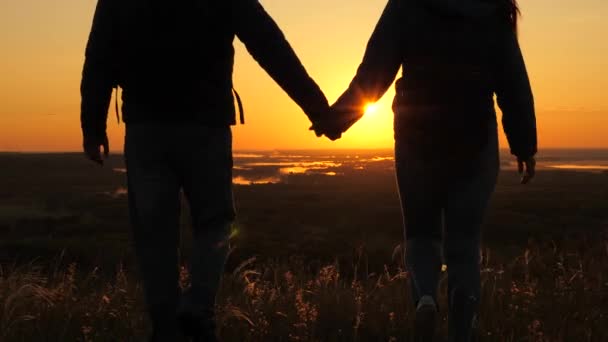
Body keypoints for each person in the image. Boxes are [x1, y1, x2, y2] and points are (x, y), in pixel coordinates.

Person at [80, 0, 329, 340]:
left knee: (155, 234)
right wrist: (317, 108)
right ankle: (198, 308)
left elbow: (99, 56)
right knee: (215, 222)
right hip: (206, 125)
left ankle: (166, 327)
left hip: (147, 127)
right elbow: (268, 44)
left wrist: (93, 127)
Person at [313, 0, 537, 340]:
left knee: (421, 234)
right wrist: (524, 144)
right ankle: (462, 320)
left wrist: (337, 120)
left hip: (416, 134)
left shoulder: (406, 5)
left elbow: (374, 72)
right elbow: (513, 81)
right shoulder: (492, 8)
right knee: (464, 243)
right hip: (473, 135)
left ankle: (426, 299)